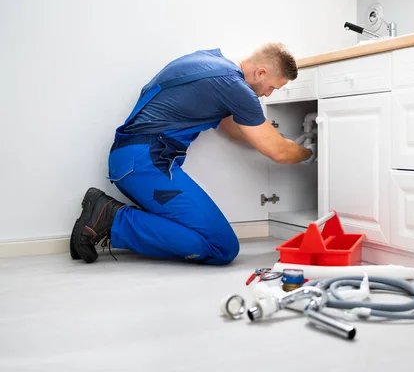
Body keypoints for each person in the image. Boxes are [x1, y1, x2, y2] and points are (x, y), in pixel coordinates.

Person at [70, 43, 316, 265]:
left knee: (207, 237)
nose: (268, 94)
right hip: (145, 164)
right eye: (272, 87)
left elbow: (237, 131)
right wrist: (310, 151)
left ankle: (113, 218)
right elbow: (278, 152)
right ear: (261, 73)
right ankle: (111, 219)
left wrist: (282, 142)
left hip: (133, 160)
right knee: (221, 248)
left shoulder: (211, 63)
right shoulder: (235, 87)